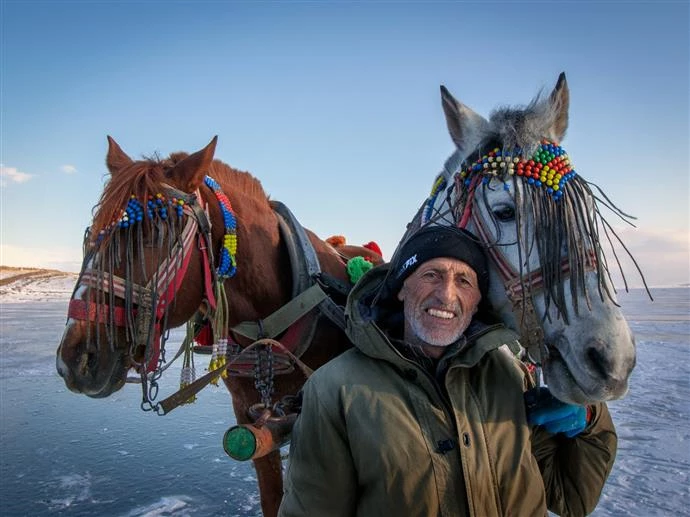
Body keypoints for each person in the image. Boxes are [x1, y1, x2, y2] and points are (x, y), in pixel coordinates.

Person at [278, 225, 617, 517]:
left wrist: (588, 419)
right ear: (401, 288)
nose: (446, 295)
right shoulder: (336, 390)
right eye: (431, 275)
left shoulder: (510, 376)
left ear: (476, 302)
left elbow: (573, 498)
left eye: (464, 281)